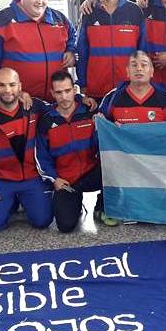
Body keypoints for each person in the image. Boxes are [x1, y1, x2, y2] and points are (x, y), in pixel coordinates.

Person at [0, 67, 54, 232]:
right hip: (2, 179)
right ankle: (10, 203)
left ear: (20, 86)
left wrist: (79, 98)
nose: (7, 90)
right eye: (2, 85)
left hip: (33, 177)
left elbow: (61, 107)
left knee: (43, 221)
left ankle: (24, 200)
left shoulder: (35, 107)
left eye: (12, 85)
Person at [36, 70, 114, 231]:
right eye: (59, 92)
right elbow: (41, 157)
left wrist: (106, 127)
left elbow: (107, 139)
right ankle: (75, 202)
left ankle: (102, 205)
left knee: (116, 167)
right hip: (66, 181)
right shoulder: (46, 120)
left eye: (67, 91)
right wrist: (54, 179)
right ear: (52, 93)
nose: (64, 97)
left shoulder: (89, 110)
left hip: (91, 172)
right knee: (65, 226)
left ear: (74, 90)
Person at [0, 0, 77, 103]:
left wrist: (71, 50)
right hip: (20, 103)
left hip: (56, 103)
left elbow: (73, 36)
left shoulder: (59, 19)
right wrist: (7, 95)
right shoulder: (2, 20)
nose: (40, 1)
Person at [76, 0, 146, 103]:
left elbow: (143, 51)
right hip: (96, 91)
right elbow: (81, 51)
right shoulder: (89, 12)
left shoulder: (134, 11)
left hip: (129, 90)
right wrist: (83, 85)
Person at [100, 51, 166, 124]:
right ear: (127, 71)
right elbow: (101, 131)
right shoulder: (113, 97)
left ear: (151, 72)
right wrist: (113, 128)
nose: (139, 69)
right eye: (134, 65)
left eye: (144, 65)